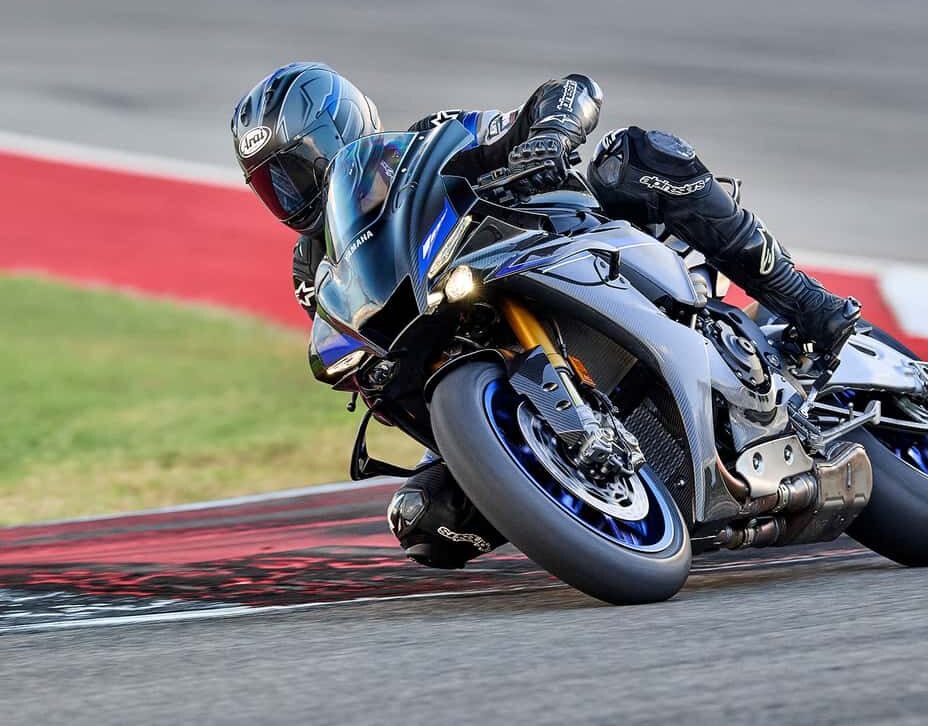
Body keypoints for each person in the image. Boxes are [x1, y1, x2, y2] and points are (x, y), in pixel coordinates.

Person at [231, 62, 861, 568]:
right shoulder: (314, 268)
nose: (289, 192)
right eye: (270, 184)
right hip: (464, 343)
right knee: (425, 522)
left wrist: (549, 135)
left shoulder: (428, 145)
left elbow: (566, 94)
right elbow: (341, 337)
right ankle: (566, 483)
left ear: (339, 129)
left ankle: (808, 302)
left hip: (561, 251)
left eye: (294, 168)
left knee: (637, 156)